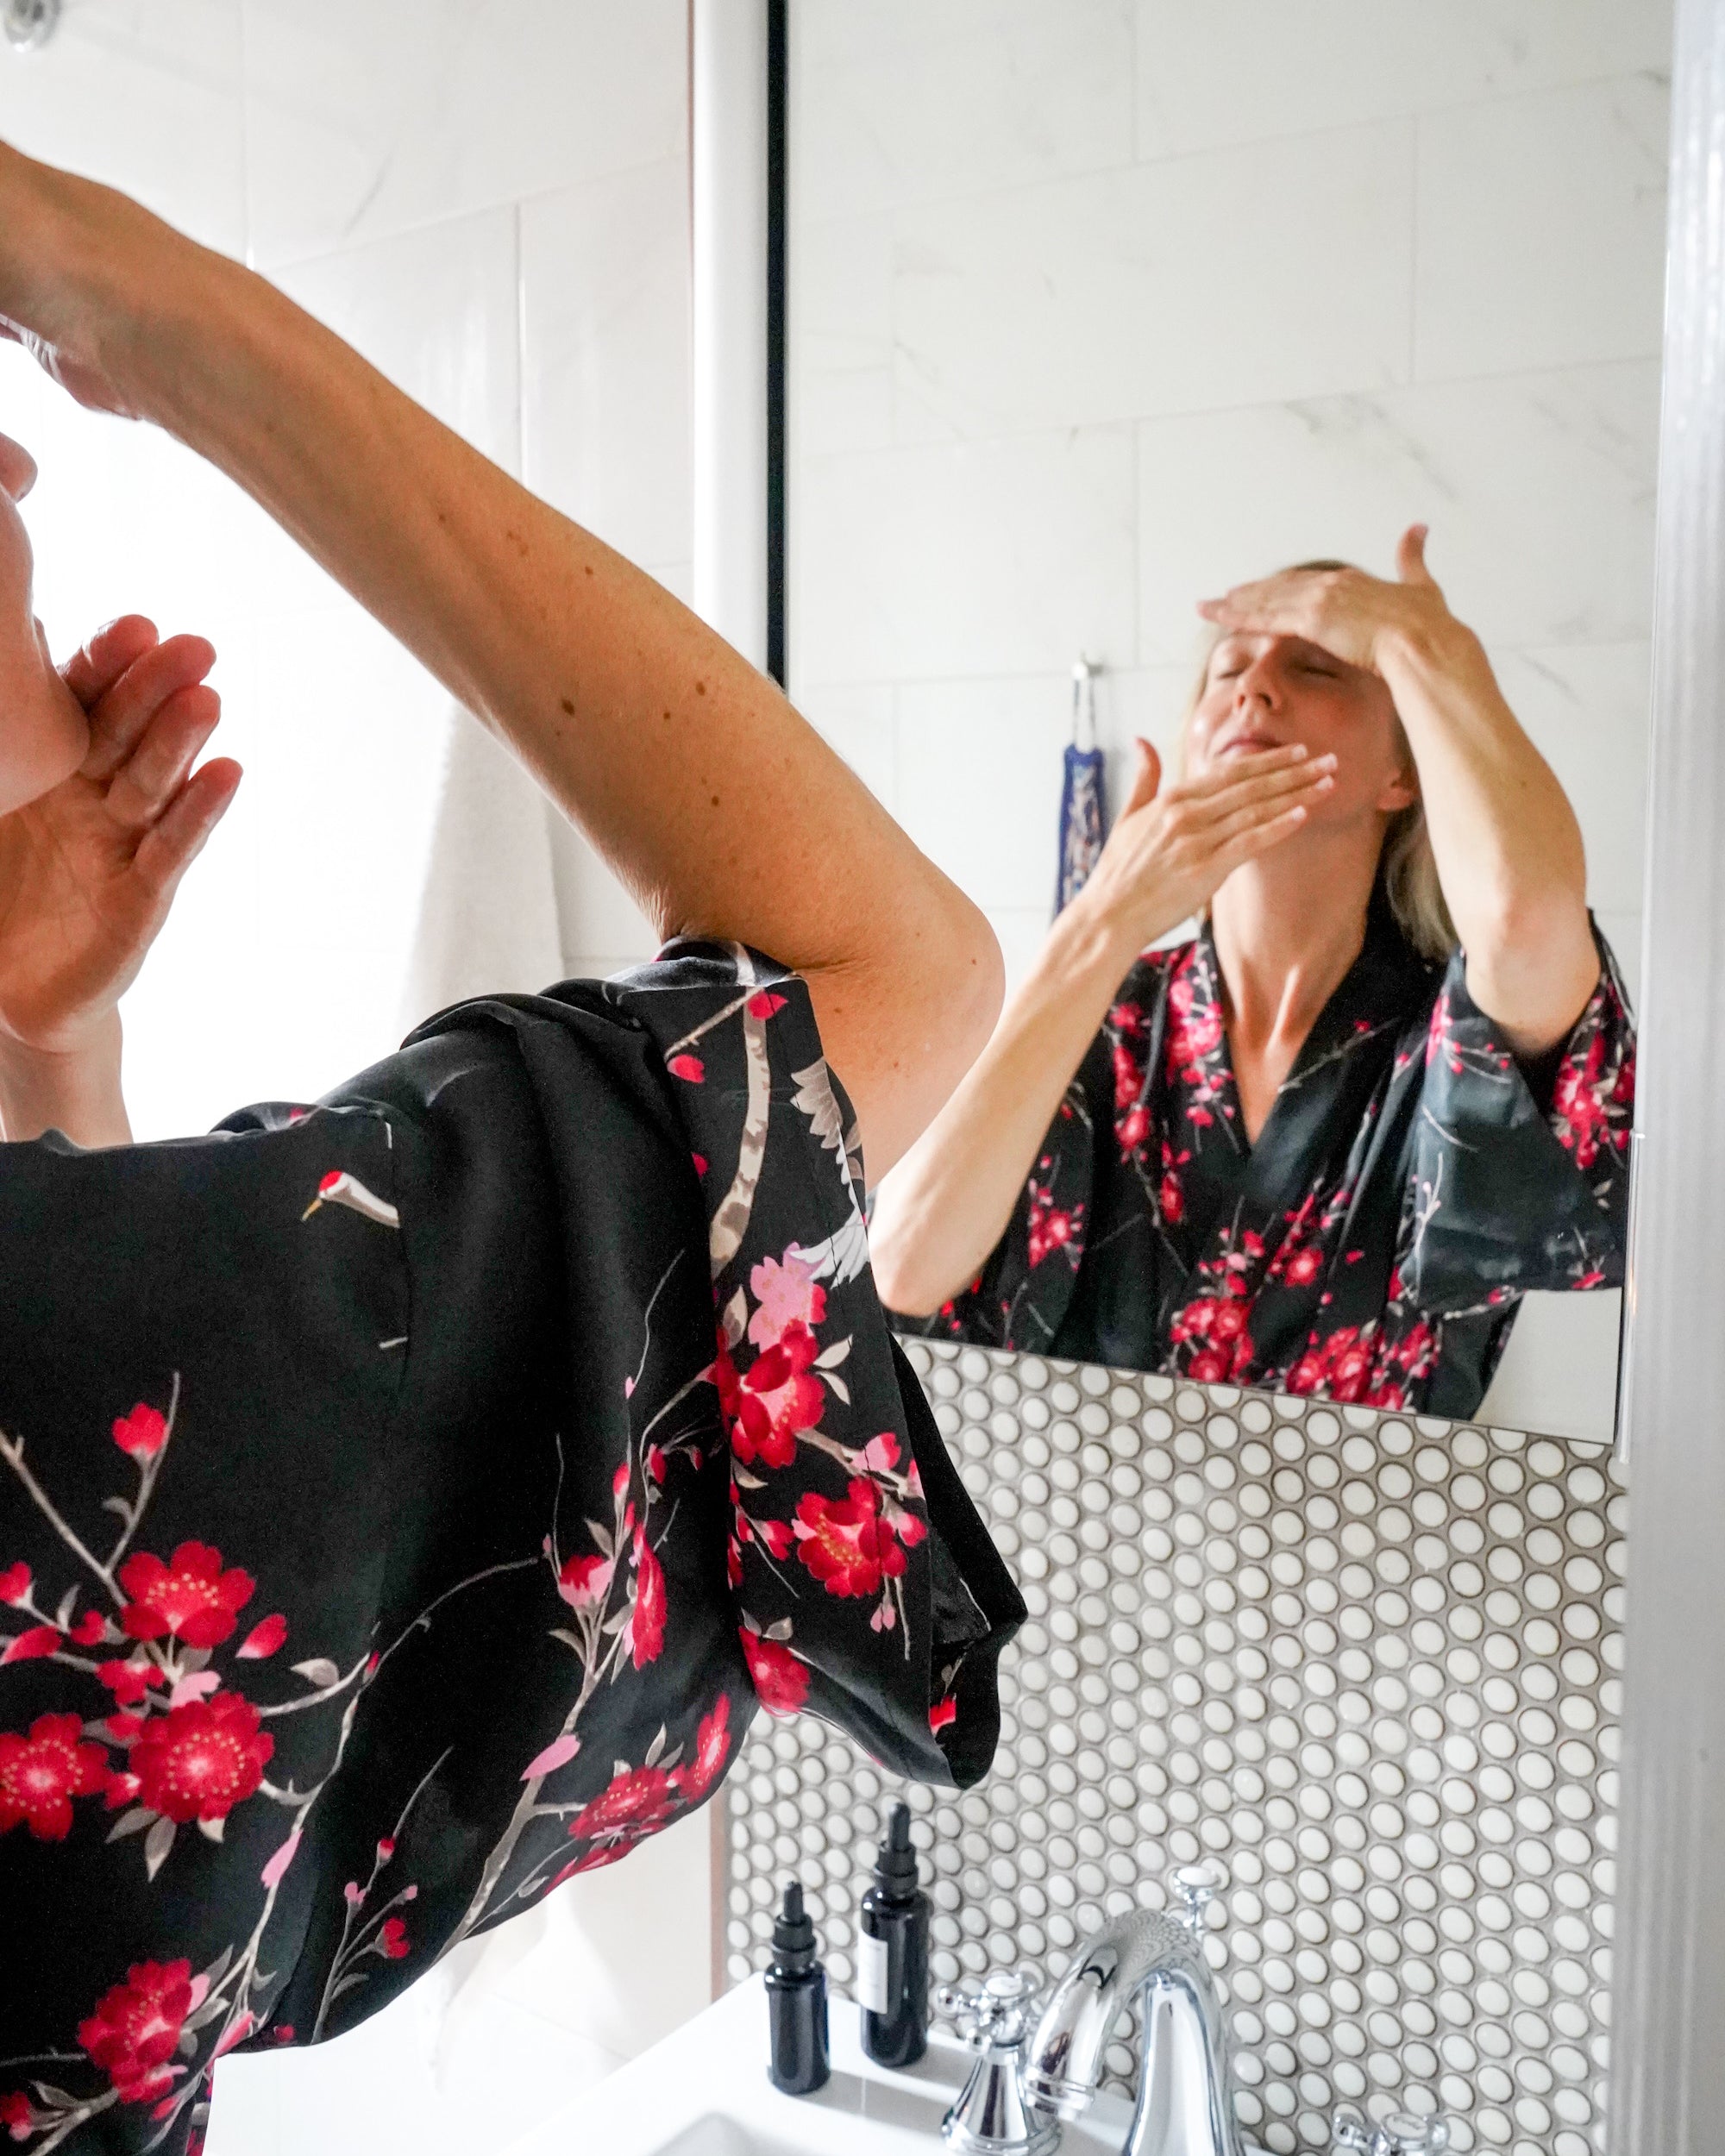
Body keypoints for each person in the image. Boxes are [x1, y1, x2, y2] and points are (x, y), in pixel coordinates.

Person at [0, 141, 1020, 2155]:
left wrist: (55, 1040)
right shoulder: (115, 1357)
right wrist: (155, 308)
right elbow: (885, 976)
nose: (34, 498)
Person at [873, 537, 1635, 1417]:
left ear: (1401, 773)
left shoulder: (1443, 1043)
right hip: (1072, 1551)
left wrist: (1424, 645)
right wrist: (1100, 919)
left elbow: (1522, 916)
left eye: (1316, 668)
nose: (1252, 687)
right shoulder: (1105, 1016)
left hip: (1378, 1551)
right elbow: (901, 1265)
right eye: (1227, 668)